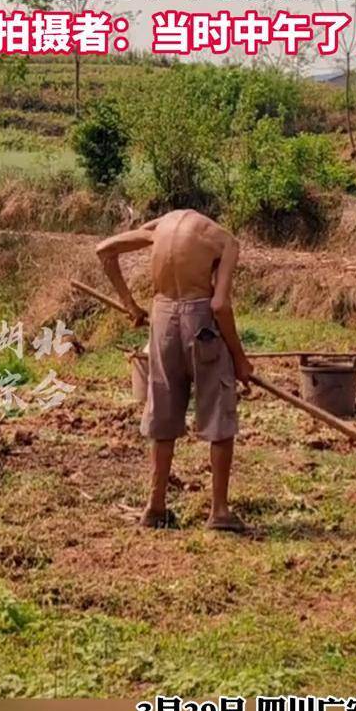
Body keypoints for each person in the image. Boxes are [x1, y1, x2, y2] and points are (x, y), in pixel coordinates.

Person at [96, 208, 253, 532]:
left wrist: (130, 304)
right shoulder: (225, 241)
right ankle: (219, 512)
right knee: (218, 412)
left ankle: (155, 507)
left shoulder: (159, 229)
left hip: (163, 320)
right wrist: (239, 358)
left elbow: (105, 250)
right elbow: (220, 305)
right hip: (202, 326)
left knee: (163, 411)